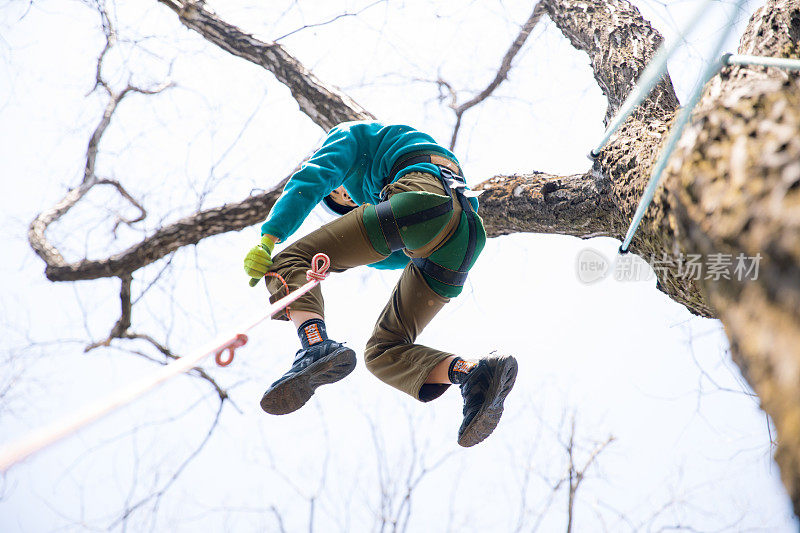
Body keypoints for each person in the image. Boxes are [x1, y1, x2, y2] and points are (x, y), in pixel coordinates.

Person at [244, 120, 517, 447]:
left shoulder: (351, 135)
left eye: (342, 195)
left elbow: (315, 175)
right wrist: (333, 261)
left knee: (290, 261)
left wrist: (269, 237)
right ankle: (474, 374)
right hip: (462, 238)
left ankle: (314, 345)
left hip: (422, 200)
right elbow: (394, 256)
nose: (346, 198)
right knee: (383, 352)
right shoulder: (397, 156)